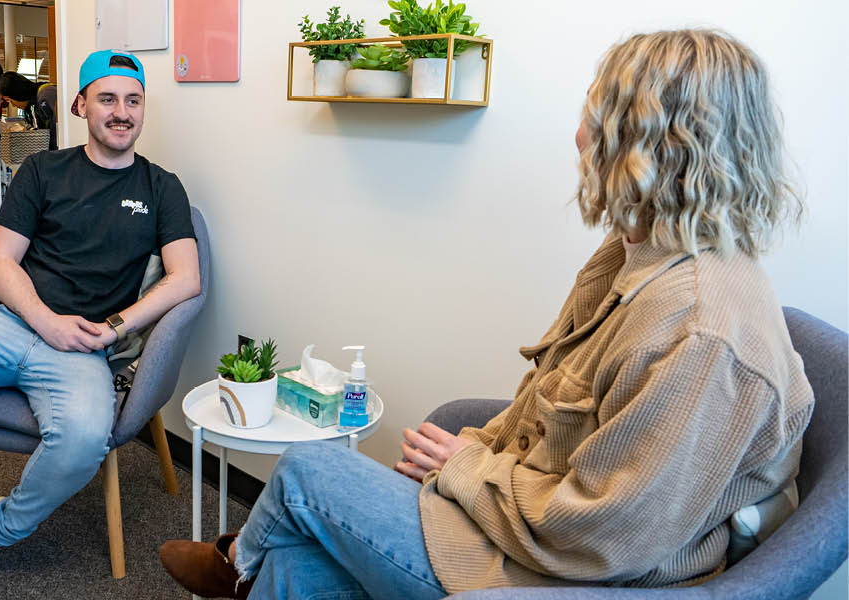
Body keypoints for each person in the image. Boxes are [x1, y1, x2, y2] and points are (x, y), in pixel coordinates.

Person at [159, 29, 814, 599]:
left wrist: (463, 469)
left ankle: (231, 567)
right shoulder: (634, 254)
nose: (579, 136)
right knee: (295, 568)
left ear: (653, 144)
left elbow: (606, 539)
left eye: (595, 118)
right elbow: (552, 404)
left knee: (308, 469)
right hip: (530, 522)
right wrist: (475, 448)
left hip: (569, 578)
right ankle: (250, 573)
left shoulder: (701, 333)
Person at [0, 49, 201, 600]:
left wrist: (116, 326)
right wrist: (45, 320)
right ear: (80, 105)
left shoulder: (161, 187)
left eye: (133, 100)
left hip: (80, 348)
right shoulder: (42, 170)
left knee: (84, 438)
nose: (121, 112)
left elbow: (186, 278)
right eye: (107, 99)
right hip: (4, 321)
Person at [0, 70, 59, 150]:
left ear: (17, 93)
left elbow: (57, 133)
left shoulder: (46, 95)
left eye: (9, 100)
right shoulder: (38, 100)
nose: (13, 105)